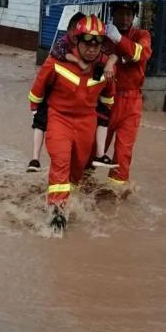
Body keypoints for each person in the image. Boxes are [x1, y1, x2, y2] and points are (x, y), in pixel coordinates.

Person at [28, 15, 115, 229]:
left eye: (97, 44)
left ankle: (69, 199)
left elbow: (108, 99)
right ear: (77, 40)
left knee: (77, 168)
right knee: (61, 161)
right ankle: (57, 211)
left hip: (87, 122)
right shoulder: (57, 60)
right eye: (87, 42)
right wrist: (37, 116)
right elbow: (37, 90)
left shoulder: (106, 66)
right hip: (59, 118)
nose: (92, 48)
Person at [103, 1, 152, 188]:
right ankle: (81, 188)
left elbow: (140, 54)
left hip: (131, 102)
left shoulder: (142, 35)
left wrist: (118, 40)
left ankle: (113, 197)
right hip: (105, 99)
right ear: (112, 14)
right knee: (92, 147)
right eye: (120, 13)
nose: (125, 18)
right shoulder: (103, 35)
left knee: (123, 154)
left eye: (129, 14)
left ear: (134, 16)